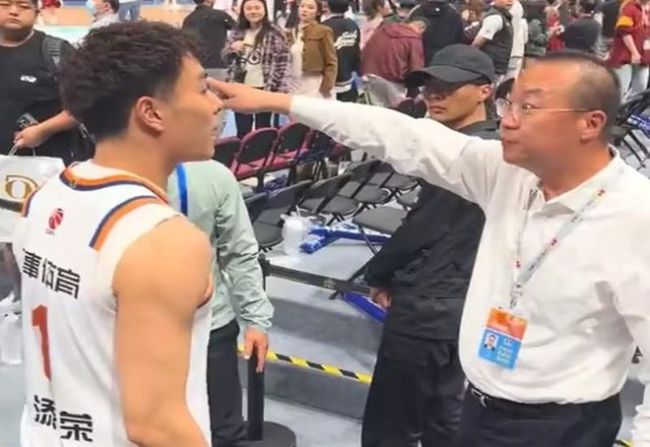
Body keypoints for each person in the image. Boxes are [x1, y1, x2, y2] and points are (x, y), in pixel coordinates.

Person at [211, 50, 650, 447]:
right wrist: (279, 102)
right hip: (480, 406)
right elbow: (400, 134)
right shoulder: (508, 174)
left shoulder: (634, 218)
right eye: (509, 104)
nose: (510, 120)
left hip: (562, 428)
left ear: (590, 123)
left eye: (529, 108)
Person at [14, 22, 222, 446]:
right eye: (203, 89)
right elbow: (155, 424)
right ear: (152, 113)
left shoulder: (42, 196)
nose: (217, 104)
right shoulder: (163, 240)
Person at [361, 44, 498, 447]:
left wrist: (379, 273)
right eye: (429, 87)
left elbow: (423, 227)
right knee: (446, 415)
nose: (435, 96)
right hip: (472, 300)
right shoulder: (497, 144)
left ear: (484, 91)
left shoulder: (467, 154)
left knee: (393, 425)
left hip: (431, 307)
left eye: (449, 87)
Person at [168, 160, 273, 446]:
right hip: (137, 331)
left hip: (210, 325)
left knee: (223, 430)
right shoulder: (111, 178)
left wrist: (256, 319)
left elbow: (239, 252)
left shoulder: (212, 175)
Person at [0, 0, 80, 164]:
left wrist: (43, 130)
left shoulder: (57, 52)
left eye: (23, 6)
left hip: (43, 164)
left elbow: (85, 106)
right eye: (5, 5)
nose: (13, 11)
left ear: (37, 13)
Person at [224, 0, 289, 137]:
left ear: (264, 10)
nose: (253, 11)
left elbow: (283, 61)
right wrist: (232, 49)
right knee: (242, 129)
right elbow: (225, 57)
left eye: (257, 8)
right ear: (243, 11)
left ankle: (262, 151)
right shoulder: (237, 31)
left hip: (265, 87)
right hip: (241, 86)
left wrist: (279, 89)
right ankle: (243, 150)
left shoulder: (275, 32)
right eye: (249, 8)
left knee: (263, 128)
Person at [361, 17, 426, 107]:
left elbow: (366, 50)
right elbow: (416, 66)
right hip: (394, 80)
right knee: (397, 110)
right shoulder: (413, 39)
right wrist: (415, 86)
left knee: (376, 110)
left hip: (371, 74)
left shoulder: (382, 31)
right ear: (421, 28)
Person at [286, 0, 338, 98]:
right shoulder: (290, 32)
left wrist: (327, 87)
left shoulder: (324, 31)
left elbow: (331, 62)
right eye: (302, 6)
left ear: (318, 12)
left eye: (310, 8)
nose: (304, 10)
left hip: (315, 84)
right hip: (293, 84)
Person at [182, 0, 236, 81]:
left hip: (195, 65)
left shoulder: (188, 19)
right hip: (217, 65)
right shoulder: (220, 15)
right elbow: (239, 28)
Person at [608, 0, 650, 99]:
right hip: (625, 56)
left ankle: (631, 108)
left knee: (640, 89)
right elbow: (624, 31)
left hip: (645, 56)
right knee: (621, 88)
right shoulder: (629, 8)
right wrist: (634, 52)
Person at [322, 0, 361, 102]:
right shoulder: (353, 25)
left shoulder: (323, 27)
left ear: (328, 6)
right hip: (348, 78)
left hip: (329, 82)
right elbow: (356, 51)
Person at [408, 0, 465, 64]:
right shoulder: (454, 12)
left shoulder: (416, 11)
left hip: (420, 58)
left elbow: (406, 35)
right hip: (446, 59)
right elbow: (460, 37)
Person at [472, 0, 514, 80]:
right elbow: (478, 42)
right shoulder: (495, 18)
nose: (510, 1)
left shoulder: (505, 16)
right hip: (490, 68)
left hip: (497, 66)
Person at [506, 0, 528, 79]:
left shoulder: (513, 6)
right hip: (516, 52)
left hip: (508, 52)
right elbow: (525, 40)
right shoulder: (522, 20)